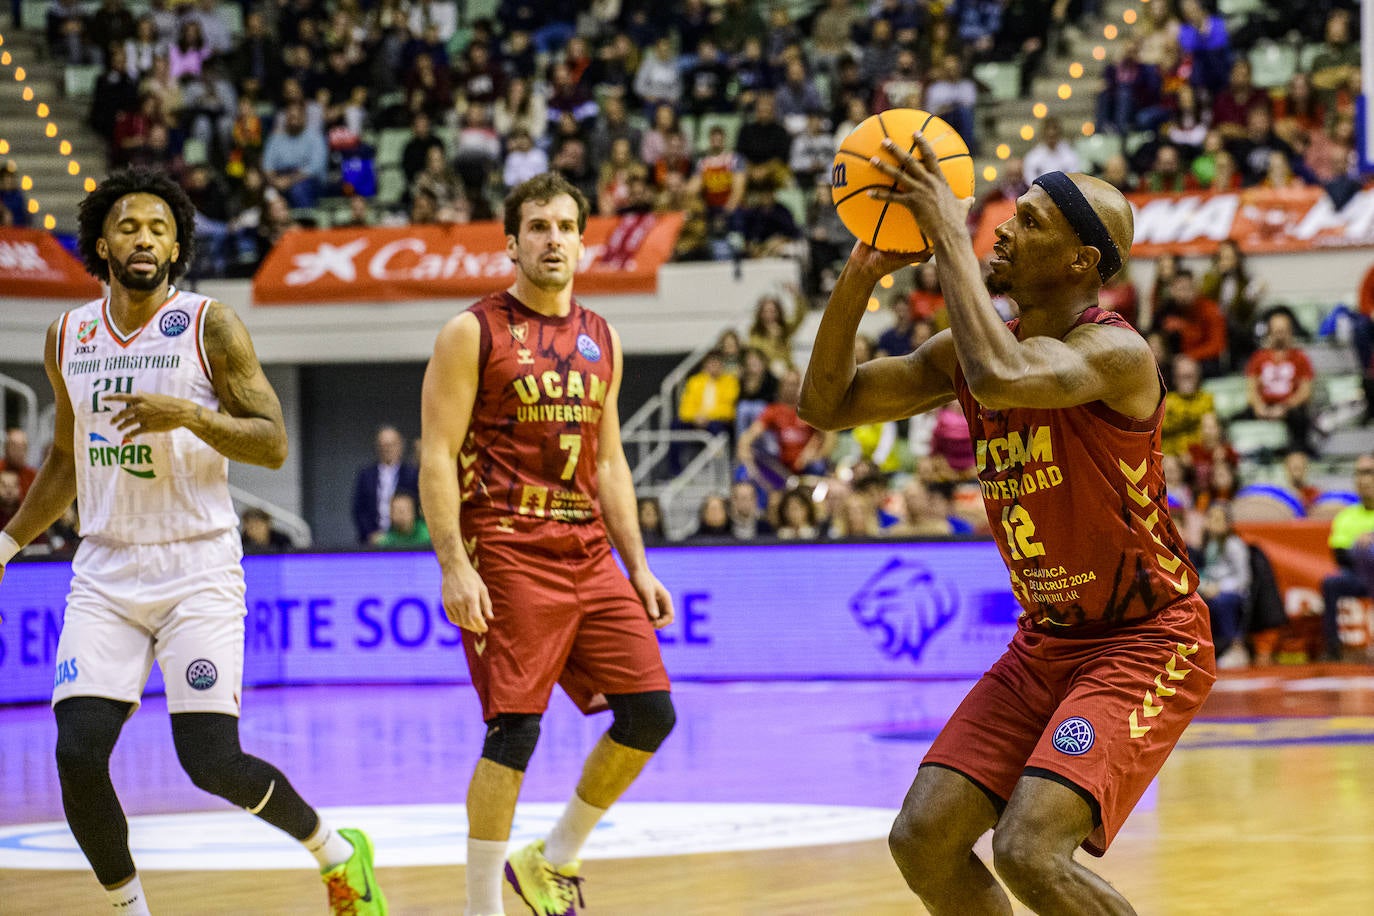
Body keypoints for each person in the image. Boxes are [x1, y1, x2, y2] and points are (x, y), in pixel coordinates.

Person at [799, 138, 1215, 913]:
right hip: (1045, 641)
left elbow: (1006, 376)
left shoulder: (1117, 352)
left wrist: (947, 234)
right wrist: (860, 274)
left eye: (1028, 221)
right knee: (921, 838)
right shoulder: (968, 351)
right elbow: (825, 404)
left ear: (1080, 261)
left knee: (1030, 850)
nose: (1001, 228)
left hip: (1146, 640)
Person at [0, 168, 383, 916]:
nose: (143, 238)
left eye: (158, 228)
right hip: (106, 567)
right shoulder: (66, 335)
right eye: (128, 226)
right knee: (77, 755)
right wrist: (8, 543)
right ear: (101, 243)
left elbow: (271, 443)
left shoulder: (209, 325)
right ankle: (131, 909)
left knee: (211, 762)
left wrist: (189, 415)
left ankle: (335, 852)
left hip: (197, 565)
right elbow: (63, 461)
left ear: (176, 247)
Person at [418, 172, 676, 916]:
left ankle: (550, 859)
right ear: (511, 243)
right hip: (506, 548)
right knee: (514, 730)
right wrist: (454, 565)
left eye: (565, 226)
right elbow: (436, 455)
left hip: (590, 551)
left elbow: (610, 461)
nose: (553, 238)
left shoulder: (603, 337)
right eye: (537, 226)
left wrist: (640, 566)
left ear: (584, 243)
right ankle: (479, 909)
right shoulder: (472, 331)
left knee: (651, 713)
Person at [1320, 453, 1374, 661]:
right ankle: (1332, 647)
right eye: (1360, 474)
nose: (1364, 479)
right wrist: (1359, 549)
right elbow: (1340, 556)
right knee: (1332, 583)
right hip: (1358, 574)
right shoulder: (1346, 516)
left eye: (1369, 473)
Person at [1240, 310, 1316, 456]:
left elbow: (1305, 392)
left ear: (1290, 332)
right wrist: (1259, 407)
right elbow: (1251, 389)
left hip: (1289, 407)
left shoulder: (1300, 358)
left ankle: (1298, 454)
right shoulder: (1258, 358)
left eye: (1283, 331)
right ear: (1269, 333)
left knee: (1301, 419)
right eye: (1276, 331)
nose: (1280, 335)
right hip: (1264, 405)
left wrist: (1284, 407)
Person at [1191, 501, 1252, 669]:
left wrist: (1220, 587)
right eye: (1210, 518)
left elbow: (1243, 579)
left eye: (1218, 519)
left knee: (1221, 602)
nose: (1213, 522)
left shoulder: (1234, 545)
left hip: (1234, 593)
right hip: (1212, 589)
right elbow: (1207, 572)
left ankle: (1235, 646)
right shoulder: (1208, 545)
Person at [351, 425, 420, 545]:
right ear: (377, 447)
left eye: (392, 444)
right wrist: (370, 534)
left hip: (406, 541)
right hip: (372, 541)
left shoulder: (412, 474)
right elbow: (359, 509)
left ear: (400, 445)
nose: (387, 449)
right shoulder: (366, 475)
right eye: (383, 445)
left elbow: (418, 506)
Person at [0, 426, 37, 498]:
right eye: (14, 447)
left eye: (22, 447)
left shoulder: (32, 476)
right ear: (6, 449)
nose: (19, 452)